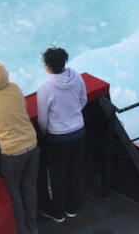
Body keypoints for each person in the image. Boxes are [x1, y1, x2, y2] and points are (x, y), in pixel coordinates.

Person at [0, 60, 40, 234]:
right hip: (32, 145)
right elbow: (25, 107)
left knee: (15, 194)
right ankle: (34, 227)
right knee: (29, 188)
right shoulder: (14, 88)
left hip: (12, 153)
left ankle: (22, 231)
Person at [37, 47, 87, 221]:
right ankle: (72, 208)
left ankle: (58, 212)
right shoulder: (78, 77)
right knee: (75, 170)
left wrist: (49, 131)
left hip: (58, 138)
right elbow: (83, 100)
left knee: (58, 174)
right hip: (79, 131)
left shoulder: (45, 88)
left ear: (48, 66)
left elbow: (42, 119)